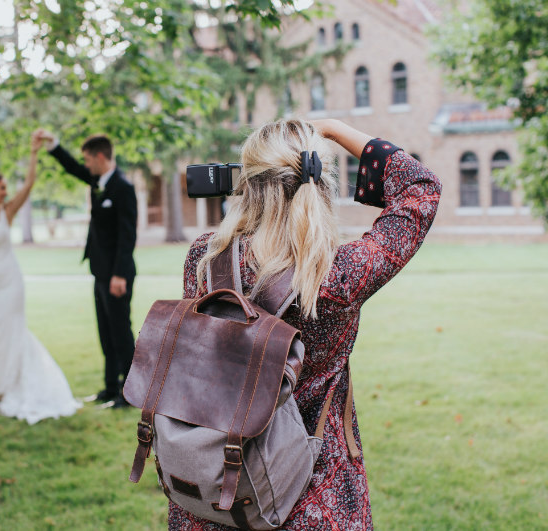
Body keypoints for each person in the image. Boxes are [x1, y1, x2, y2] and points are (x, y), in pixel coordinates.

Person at [169, 118, 441, 529]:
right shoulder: (337, 277)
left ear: (246, 185)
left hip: (216, 485)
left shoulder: (204, 261)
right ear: (319, 186)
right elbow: (421, 189)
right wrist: (334, 129)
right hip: (314, 492)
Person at [0, 133, 81, 423]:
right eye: (0, 188)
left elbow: (29, 184)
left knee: (11, 333)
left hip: (10, 283)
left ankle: (9, 384)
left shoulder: (7, 213)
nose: (5, 193)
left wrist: (34, 152)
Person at [34, 130, 137, 409]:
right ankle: (109, 387)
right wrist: (53, 146)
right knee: (105, 331)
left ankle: (129, 393)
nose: (86, 164)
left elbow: (127, 236)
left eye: (88, 159)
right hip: (100, 271)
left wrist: (118, 274)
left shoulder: (123, 188)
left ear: (101, 157)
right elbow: (73, 168)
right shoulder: (97, 181)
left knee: (120, 332)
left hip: (118, 274)